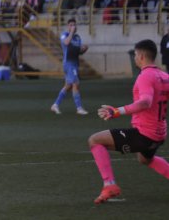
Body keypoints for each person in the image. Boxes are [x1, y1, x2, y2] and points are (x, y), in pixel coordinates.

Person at [89, 39, 169, 204]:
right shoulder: (164, 76)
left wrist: (117, 111)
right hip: (159, 134)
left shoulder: (145, 76)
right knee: (144, 159)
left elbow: (145, 102)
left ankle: (109, 185)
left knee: (95, 140)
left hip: (145, 134)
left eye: (135, 55)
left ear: (140, 55)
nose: (134, 58)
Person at [51, 18, 88, 115]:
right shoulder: (65, 35)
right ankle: (79, 108)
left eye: (74, 25)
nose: (73, 27)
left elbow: (78, 51)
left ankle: (55, 105)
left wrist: (84, 49)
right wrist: (71, 32)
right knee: (76, 83)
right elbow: (66, 43)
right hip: (68, 63)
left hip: (75, 63)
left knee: (68, 86)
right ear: (68, 26)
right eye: (71, 25)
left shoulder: (77, 38)